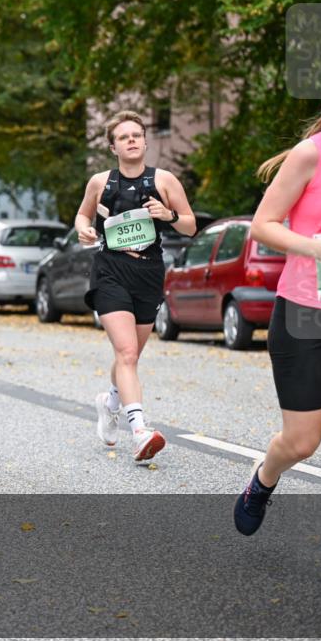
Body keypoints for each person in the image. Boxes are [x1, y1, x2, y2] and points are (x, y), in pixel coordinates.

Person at [233, 58, 321, 588]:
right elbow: (263, 226)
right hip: (304, 314)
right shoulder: (311, 156)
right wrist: (317, 247)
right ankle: (263, 480)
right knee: (302, 440)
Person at [75, 110, 196, 461]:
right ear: (113, 146)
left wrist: (168, 215)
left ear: (145, 141)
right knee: (126, 353)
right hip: (110, 271)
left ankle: (109, 401)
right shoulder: (101, 182)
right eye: (123, 136)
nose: (131, 140)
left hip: (148, 273)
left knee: (131, 355)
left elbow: (190, 225)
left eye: (136, 135)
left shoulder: (165, 181)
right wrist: (84, 229)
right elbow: (83, 214)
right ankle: (140, 430)